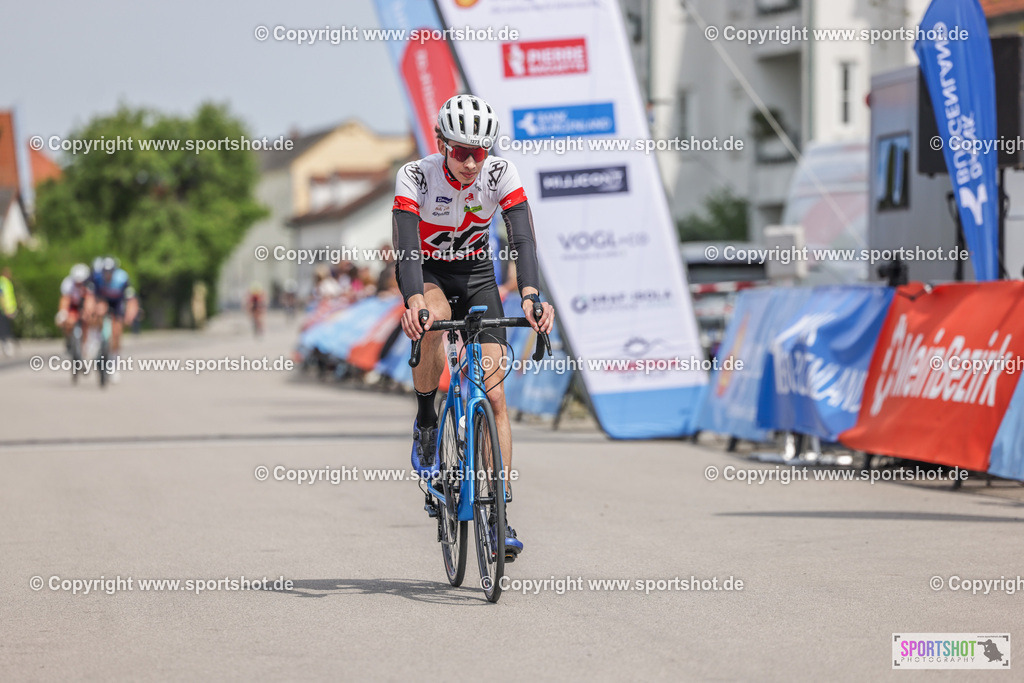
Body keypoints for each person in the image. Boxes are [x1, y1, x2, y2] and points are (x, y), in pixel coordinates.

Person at [392, 94, 554, 560]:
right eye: (460, 151)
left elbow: (522, 237)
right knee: (433, 321)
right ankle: (426, 417)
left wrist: (530, 295)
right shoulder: (416, 175)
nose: (469, 162)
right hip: (429, 273)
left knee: (496, 393)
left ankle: (500, 511)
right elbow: (405, 247)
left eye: (478, 152)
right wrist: (414, 300)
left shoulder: (500, 174)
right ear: (442, 142)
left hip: (478, 276)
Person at [90, 256, 138, 381]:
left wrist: (130, 314)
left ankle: (113, 365)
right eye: (105, 272)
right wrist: (92, 309)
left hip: (117, 304)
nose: (107, 275)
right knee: (98, 311)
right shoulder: (97, 278)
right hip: (103, 301)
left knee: (117, 332)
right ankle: (96, 340)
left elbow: (131, 299)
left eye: (110, 272)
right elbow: (91, 297)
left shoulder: (122, 278)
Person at [56, 263, 94, 349]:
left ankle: (85, 344)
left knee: (87, 319)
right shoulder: (67, 283)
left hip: (83, 305)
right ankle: (69, 338)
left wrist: (88, 312)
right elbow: (65, 299)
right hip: (72, 306)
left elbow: (90, 300)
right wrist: (63, 313)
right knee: (69, 321)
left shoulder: (90, 285)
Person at [0, 267, 18, 356]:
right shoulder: (2, 282)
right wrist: (5, 309)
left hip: (8, 309)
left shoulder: (7, 282)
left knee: (7, 328)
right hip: (3, 310)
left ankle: (6, 347)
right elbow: (1, 296)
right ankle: (5, 347)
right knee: (4, 329)